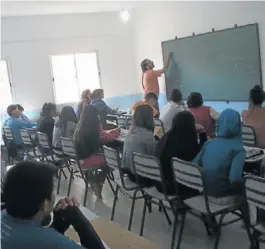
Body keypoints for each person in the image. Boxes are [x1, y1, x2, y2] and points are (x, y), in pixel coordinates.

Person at [1, 161, 105, 249]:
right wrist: (79, 220)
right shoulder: (51, 241)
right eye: (52, 191)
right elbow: (44, 241)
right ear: (45, 204)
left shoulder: (3, 214)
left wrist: (57, 225)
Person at [193, 109, 245, 203]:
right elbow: (234, 179)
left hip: (203, 193)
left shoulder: (208, 144)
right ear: (238, 125)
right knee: (251, 194)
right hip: (224, 196)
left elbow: (193, 165)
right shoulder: (239, 149)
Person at [74, 106, 120, 197]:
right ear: (95, 116)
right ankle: (97, 180)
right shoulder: (92, 128)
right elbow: (99, 142)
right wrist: (113, 135)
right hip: (86, 160)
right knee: (112, 161)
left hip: (79, 159)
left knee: (104, 158)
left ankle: (93, 180)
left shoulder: (80, 125)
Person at [156, 111, 202, 196]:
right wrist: (202, 133)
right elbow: (201, 156)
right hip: (176, 187)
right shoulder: (189, 143)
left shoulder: (166, 137)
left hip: (161, 183)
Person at [121, 105, 156, 186]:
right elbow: (154, 157)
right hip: (142, 177)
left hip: (130, 174)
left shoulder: (131, 131)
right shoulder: (147, 135)